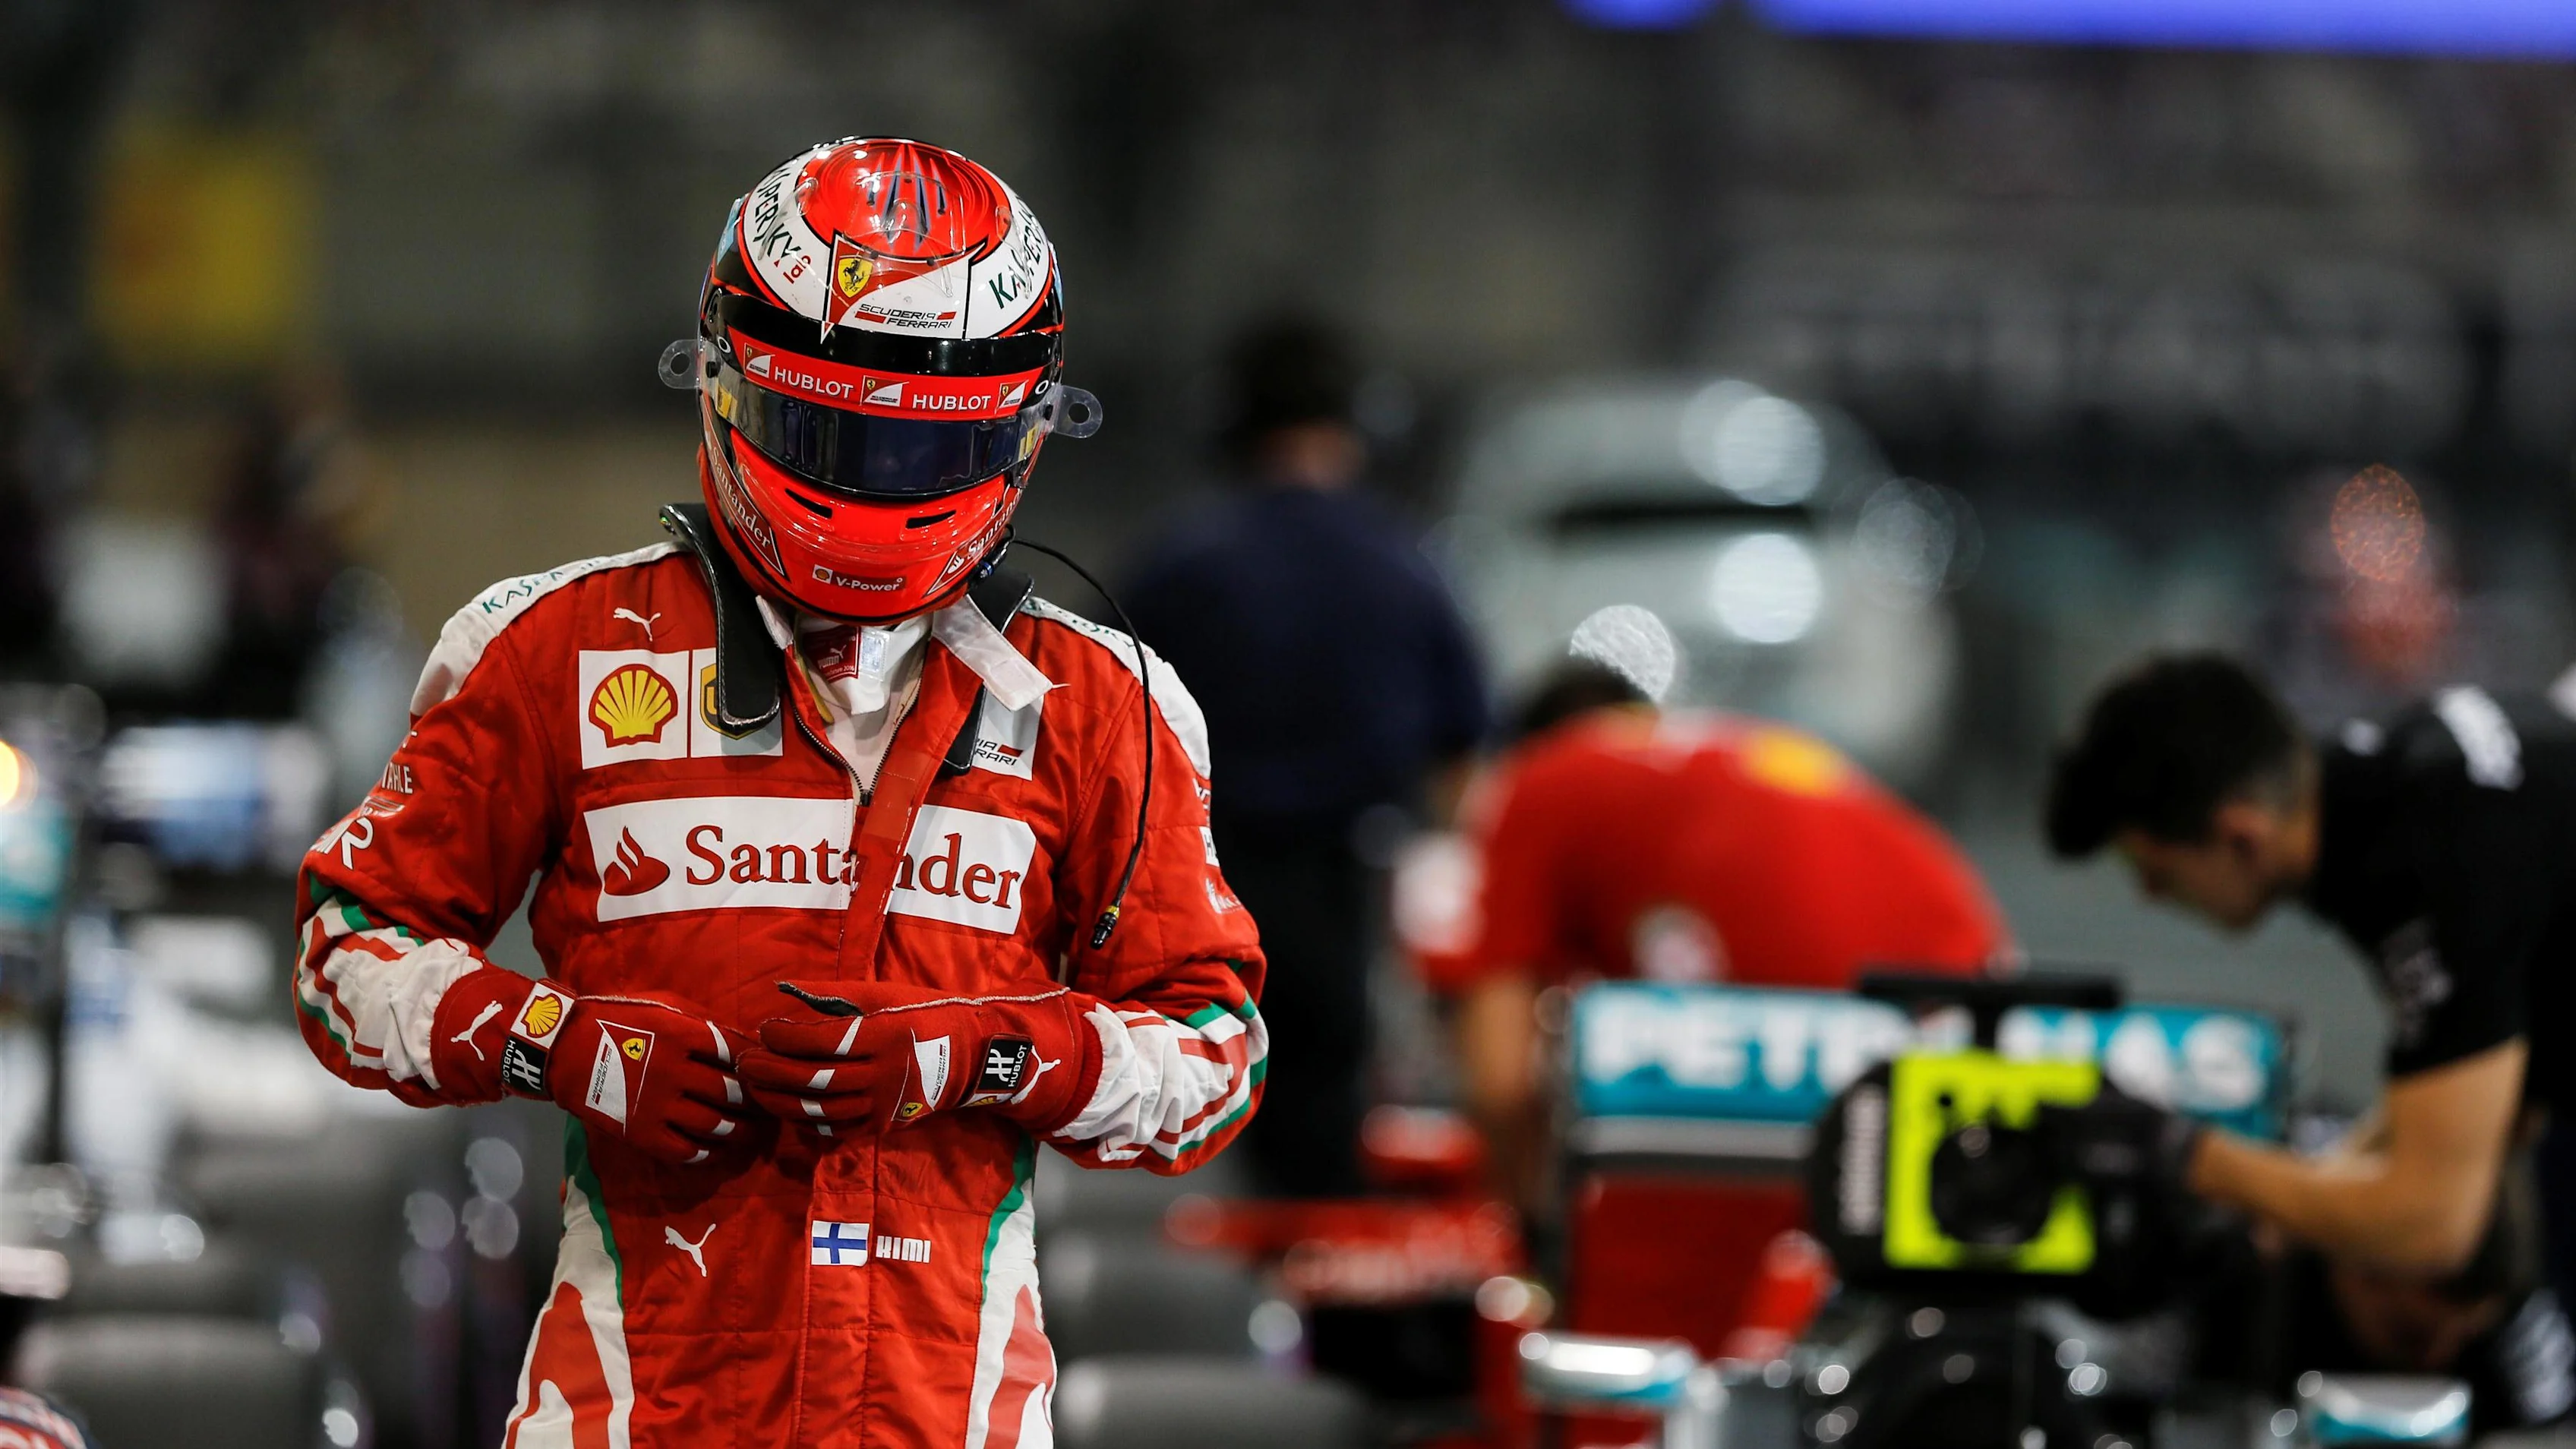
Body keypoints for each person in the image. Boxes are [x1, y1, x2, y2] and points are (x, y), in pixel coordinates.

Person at [292, 137, 1266, 1448]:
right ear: (721, 381)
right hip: (627, 1410)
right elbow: (345, 950)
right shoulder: (545, 651)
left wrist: (988, 1051)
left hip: (945, 1411)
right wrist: (559, 1039)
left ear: (1024, 431)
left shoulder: (1106, 704)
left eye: (923, 450)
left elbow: (1215, 1054)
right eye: (829, 433)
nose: (872, 481)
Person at [2044, 652, 2576, 1425]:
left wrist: (2184, 1154)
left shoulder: (2433, 861)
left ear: (2240, 837)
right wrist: (2292, 1197)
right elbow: (2496, 1114)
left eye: (2152, 868)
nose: (2151, 896)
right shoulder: (2419, 775)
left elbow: (2431, 1228)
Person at [1126, 317, 1488, 1196]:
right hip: (1354, 894)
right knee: (1331, 1137)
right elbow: (1462, 761)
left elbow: (1094, 729)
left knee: (1201, 1124)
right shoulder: (1405, 565)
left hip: (1200, 892)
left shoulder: (1178, 564)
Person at [1444, 658, 2009, 1204]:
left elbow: (1502, 1079)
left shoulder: (1536, 781)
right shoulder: (1739, 749)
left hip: (1855, 1040)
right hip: (1992, 1010)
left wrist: (1520, 1219)